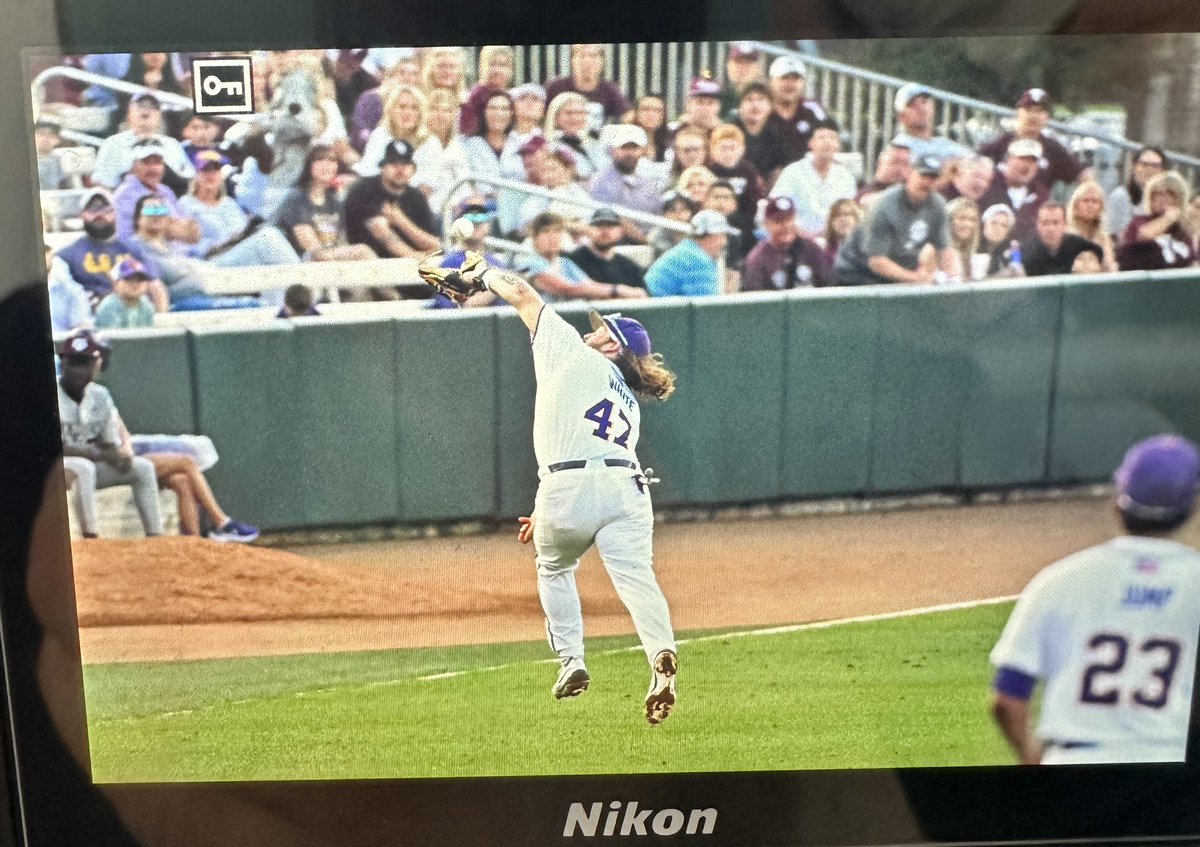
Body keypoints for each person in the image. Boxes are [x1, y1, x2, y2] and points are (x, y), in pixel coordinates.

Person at [440, 254, 679, 724]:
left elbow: (524, 294)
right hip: (625, 486)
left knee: (553, 568)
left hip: (567, 486)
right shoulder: (626, 396)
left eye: (600, 329)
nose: (590, 331)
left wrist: (480, 268)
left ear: (611, 345)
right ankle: (661, 655)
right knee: (637, 579)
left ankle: (572, 661)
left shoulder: (573, 351)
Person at [990, 434, 1200, 765]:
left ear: (1118, 499)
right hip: (1169, 771)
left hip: (1074, 768)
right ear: (1192, 506)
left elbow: (1008, 699)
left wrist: (1030, 757)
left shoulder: (1060, 579)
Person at [56, 330, 164, 539]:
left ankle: (156, 538)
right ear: (64, 363)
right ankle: (91, 538)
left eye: (84, 362)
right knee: (84, 468)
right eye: (74, 362)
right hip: (52, 471)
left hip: (86, 466)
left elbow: (108, 444)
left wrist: (120, 457)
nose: (78, 370)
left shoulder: (100, 395)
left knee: (142, 467)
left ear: (95, 366)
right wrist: (96, 453)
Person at [834, 154, 957, 285]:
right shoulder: (885, 206)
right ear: (910, 173)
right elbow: (876, 260)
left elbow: (944, 249)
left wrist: (953, 278)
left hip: (899, 270)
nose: (927, 182)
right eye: (923, 176)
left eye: (933, 178)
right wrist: (915, 278)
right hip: (857, 272)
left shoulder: (937, 205)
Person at [178, 149, 302, 268]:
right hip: (211, 259)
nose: (211, 174)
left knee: (270, 236)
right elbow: (180, 244)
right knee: (268, 237)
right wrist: (213, 246)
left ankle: (300, 285)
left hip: (238, 251)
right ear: (196, 174)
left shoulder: (229, 203)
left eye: (215, 169)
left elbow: (242, 230)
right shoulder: (186, 204)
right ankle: (305, 282)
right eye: (205, 170)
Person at [55, 187, 165, 307]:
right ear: (82, 215)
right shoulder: (67, 255)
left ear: (115, 213)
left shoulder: (133, 249)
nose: (99, 215)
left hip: (133, 311)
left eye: (106, 209)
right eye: (92, 209)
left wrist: (162, 319)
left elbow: (155, 286)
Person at [274, 144, 378, 263]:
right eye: (320, 159)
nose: (327, 165)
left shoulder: (335, 203)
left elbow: (341, 243)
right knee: (362, 252)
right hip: (299, 263)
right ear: (309, 166)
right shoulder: (296, 199)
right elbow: (311, 248)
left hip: (329, 262)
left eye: (332, 160)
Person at [513, 212, 645, 302]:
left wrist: (628, 296)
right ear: (535, 238)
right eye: (545, 232)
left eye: (557, 231)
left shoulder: (565, 263)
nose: (552, 237)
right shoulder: (530, 263)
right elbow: (566, 289)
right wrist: (618, 290)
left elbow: (590, 286)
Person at [344, 140, 441, 262]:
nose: (400, 169)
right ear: (383, 168)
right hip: (370, 264)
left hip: (411, 267)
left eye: (405, 164)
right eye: (394, 163)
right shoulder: (365, 190)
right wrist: (416, 257)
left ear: (413, 170)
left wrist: (400, 220)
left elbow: (435, 245)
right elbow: (382, 233)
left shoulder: (416, 197)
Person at [977, 88, 1086, 193]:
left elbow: (1080, 173)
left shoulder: (1053, 149)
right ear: (1018, 113)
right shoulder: (1001, 143)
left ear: (1047, 117)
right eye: (1028, 110)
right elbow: (975, 162)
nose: (1033, 116)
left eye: (1039, 111)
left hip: (1036, 207)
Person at [91, 93, 195, 191]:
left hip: (167, 200)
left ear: (159, 116)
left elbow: (189, 177)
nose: (146, 110)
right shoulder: (113, 143)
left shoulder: (172, 144)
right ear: (129, 113)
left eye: (152, 107)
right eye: (140, 106)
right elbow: (101, 182)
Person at [771, 124, 857, 238]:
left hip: (833, 239)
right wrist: (803, 235)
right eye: (821, 137)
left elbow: (850, 212)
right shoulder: (793, 172)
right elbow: (776, 207)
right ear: (811, 143)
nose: (827, 142)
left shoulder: (846, 177)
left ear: (838, 146)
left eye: (832, 138)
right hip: (795, 238)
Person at [112, 139, 202, 244]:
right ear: (134, 166)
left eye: (158, 162)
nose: (153, 169)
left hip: (181, 255)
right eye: (146, 163)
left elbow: (185, 227)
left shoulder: (166, 191)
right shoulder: (125, 195)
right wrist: (169, 229)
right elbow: (127, 238)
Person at [741, 195, 833, 290]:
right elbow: (754, 297)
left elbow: (828, 284)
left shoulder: (811, 249)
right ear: (767, 224)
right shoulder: (757, 258)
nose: (785, 226)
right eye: (778, 221)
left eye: (789, 219)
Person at [644, 209, 737, 297]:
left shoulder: (688, 251)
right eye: (721, 236)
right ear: (706, 236)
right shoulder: (696, 260)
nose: (725, 242)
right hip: (656, 312)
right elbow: (708, 308)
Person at [1116, 171, 1197, 272]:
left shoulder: (1182, 232)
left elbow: (1192, 262)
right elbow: (1145, 234)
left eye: (1169, 194)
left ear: (1179, 198)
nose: (1161, 199)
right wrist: (1168, 217)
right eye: (1157, 194)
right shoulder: (1139, 222)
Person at [765, 55, 837, 165]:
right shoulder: (762, 110)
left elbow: (833, 137)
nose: (790, 84)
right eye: (784, 78)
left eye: (795, 79)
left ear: (803, 82)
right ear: (771, 81)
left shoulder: (813, 109)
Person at [977, 138, 1051, 243]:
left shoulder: (1041, 196)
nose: (1027, 165)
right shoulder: (988, 185)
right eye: (1022, 159)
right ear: (1008, 159)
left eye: (1032, 161)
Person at [544, 43, 632, 130]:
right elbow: (541, 114)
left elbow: (627, 115)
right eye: (581, 56)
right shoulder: (556, 86)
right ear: (572, 60)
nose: (587, 61)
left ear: (602, 62)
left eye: (593, 56)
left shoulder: (610, 90)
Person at [567, 207, 648, 290]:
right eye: (598, 225)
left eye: (611, 226)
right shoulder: (572, 260)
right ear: (588, 229)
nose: (604, 231)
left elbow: (645, 297)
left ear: (621, 232)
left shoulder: (629, 268)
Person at [891, 82, 972, 164]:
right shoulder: (900, 148)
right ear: (900, 116)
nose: (921, 108)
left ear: (932, 107)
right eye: (912, 104)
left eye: (924, 102)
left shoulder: (943, 143)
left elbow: (975, 161)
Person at [731, 80, 789, 183]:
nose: (755, 105)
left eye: (761, 99)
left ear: (771, 106)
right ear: (739, 106)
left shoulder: (775, 135)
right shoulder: (730, 131)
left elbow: (776, 173)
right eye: (749, 100)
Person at [1020, 202, 1099, 277]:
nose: (1051, 229)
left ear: (1065, 224)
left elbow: (1099, 255)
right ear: (1038, 225)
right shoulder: (1026, 250)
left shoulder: (1080, 245)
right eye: (1045, 223)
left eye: (1055, 223)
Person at [1109, 146, 1167, 242]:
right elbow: (1120, 237)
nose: (1149, 170)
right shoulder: (1121, 196)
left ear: (1163, 171)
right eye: (1144, 164)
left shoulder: (1167, 199)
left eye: (1155, 166)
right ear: (1134, 167)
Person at [545, 91, 606, 180]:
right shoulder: (549, 147)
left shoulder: (597, 143)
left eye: (580, 113)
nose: (575, 118)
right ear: (556, 117)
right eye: (568, 113)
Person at [459, 46, 516, 136]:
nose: (497, 70)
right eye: (492, 64)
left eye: (502, 65)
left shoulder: (512, 97)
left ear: (510, 69)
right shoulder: (475, 97)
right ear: (483, 67)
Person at [1066, 180, 1118, 273]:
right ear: (1075, 205)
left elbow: (1109, 267)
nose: (1090, 205)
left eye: (1095, 201)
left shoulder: (1103, 239)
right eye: (1085, 200)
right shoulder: (1066, 235)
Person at [94, 258, 156, 329]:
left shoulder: (146, 304)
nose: (135, 284)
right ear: (116, 283)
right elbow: (112, 338)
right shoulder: (109, 306)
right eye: (128, 279)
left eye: (140, 279)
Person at [856, 142, 912, 209]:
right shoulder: (864, 195)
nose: (899, 169)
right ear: (880, 163)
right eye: (895, 162)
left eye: (905, 164)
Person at [719, 42, 765, 120]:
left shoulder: (767, 97)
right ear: (729, 66)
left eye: (748, 63)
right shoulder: (720, 96)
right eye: (738, 62)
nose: (743, 68)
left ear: (757, 67)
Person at [978, 203, 1024, 279]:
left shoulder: (1014, 247)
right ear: (984, 225)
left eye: (1003, 225)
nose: (997, 228)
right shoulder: (973, 245)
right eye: (993, 223)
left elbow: (1018, 271)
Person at [647, 190, 697, 260]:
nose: (678, 214)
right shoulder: (657, 234)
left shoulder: (696, 234)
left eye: (683, 209)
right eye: (672, 210)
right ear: (664, 214)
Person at [944, 197, 982, 280]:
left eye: (972, 220)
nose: (967, 224)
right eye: (962, 218)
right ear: (949, 220)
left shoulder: (972, 252)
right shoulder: (938, 250)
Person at [819, 198, 863, 266]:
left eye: (847, 214)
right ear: (831, 222)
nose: (842, 219)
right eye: (837, 215)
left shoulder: (867, 248)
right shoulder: (826, 253)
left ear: (856, 219)